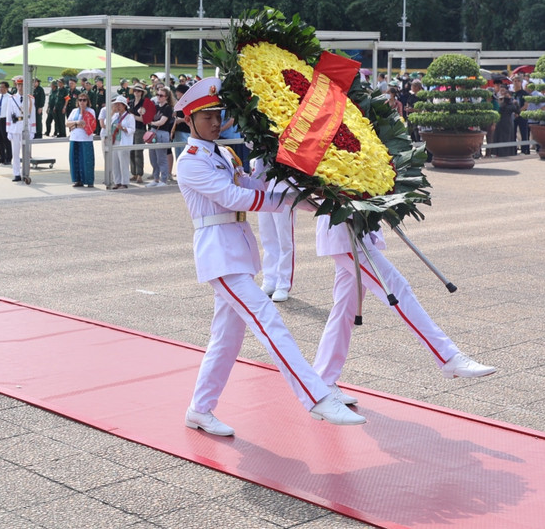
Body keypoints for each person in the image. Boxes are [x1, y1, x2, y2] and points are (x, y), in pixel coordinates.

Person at [174, 76, 364, 437]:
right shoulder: (191, 162)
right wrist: (285, 201)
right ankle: (317, 397)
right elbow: (234, 198)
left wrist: (306, 195)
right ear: (189, 120)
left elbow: (253, 186)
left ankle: (200, 409)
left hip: (237, 250)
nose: (216, 122)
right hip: (219, 254)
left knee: (225, 340)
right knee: (268, 320)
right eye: (206, 117)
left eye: (218, 115)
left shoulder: (224, 153)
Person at [310, 209, 495, 396]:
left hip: (357, 231)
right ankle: (448, 356)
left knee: (344, 308)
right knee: (397, 288)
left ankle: (323, 380)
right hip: (345, 235)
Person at [249, 157, 294, 302]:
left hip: (284, 180)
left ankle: (283, 283)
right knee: (267, 235)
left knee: (284, 237)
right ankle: (269, 279)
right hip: (263, 180)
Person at [0, 79, 24, 179]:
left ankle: (8, 158)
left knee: (7, 140)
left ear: (7, 88)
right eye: (0, 87)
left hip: (6, 120)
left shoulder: (10, 97)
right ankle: (1, 157)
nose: (1, 88)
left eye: (3, 87)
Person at [65, 90, 97, 188]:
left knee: (86, 160)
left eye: (84, 100)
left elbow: (89, 125)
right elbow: (67, 123)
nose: (82, 102)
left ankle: (89, 180)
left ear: (87, 101)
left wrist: (76, 124)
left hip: (85, 139)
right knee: (75, 160)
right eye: (80, 100)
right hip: (74, 138)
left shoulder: (91, 111)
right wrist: (76, 123)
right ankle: (77, 180)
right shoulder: (74, 111)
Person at [148, 86, 175, 186]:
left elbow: (162, 122)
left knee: (161, 158)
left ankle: (163, 179)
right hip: (153, 132)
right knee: (153, 157)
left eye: (161, 95)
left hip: (162, 133)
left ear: (166, 97)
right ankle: (155, 179)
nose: (158, 97)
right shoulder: (156, 106)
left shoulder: (168, 108)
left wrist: (151, 122)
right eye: (157, 95)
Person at [106, 97, 134, 189]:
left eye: (119, 104)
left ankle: (124, 182)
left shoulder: (130, 116)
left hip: (123, 142)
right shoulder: (115, 116)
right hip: (114, 141)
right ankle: (117, 181)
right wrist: (112, 112)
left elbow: (132, 129)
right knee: (115, 163)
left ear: (124, 106)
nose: (117, 106)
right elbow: (106, 123)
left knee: (123, 163)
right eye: (116, 104)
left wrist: (123, 128)